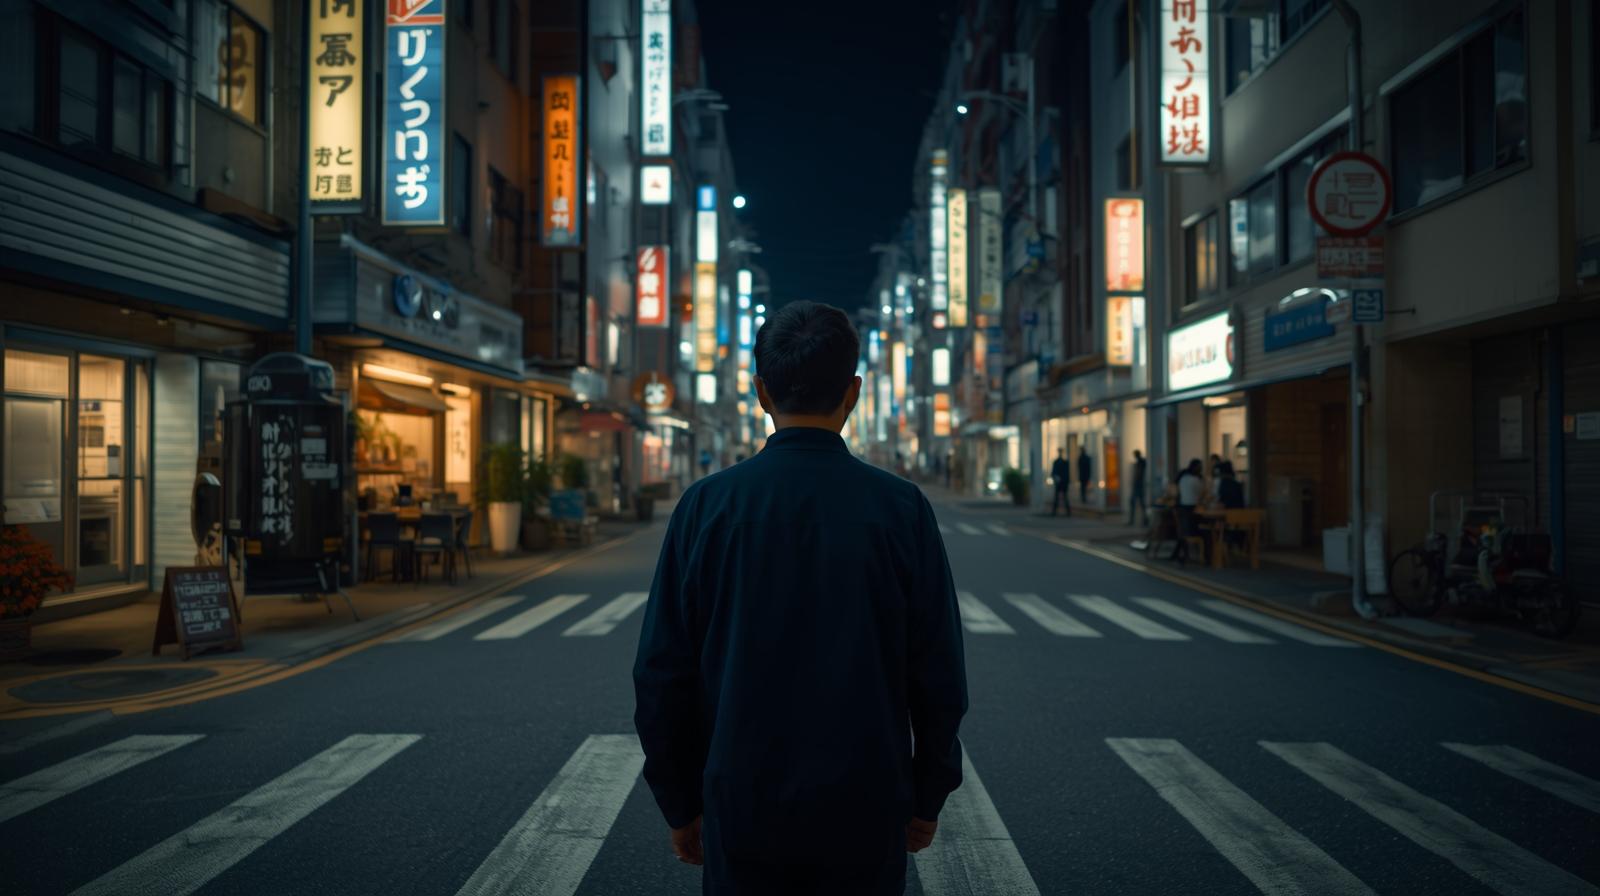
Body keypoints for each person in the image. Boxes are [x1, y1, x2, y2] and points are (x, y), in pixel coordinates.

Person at [634, 301, 968, 896]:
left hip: (742, 795)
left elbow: (662, 673)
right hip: (866, 796)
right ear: (855, 392)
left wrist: (680, 801)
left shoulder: (707, 507)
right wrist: (928, 792)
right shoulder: (900, 508)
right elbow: (938, 672)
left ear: (762, 392)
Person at [1172, 458, 1205, 564]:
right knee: (1206, 531)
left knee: (1183, 533)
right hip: (1192, 512)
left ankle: (1180, 554)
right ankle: (1206, 557)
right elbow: (1201, 494)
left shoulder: (1183, 478)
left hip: (1182, 510)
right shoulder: (1195, 480)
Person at [1127, 449, 1148, 526]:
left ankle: (1144, 520)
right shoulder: (1140, 462)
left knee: (1139, 503)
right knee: (1139, 503)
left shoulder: (1141, 463)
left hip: (1139, 485)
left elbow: (1138, 474)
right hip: (1138, 485)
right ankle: (1143, 520)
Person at [1050, 448, 1072, 517]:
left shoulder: (1065, 462)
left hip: (1064, 483)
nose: (1060, 453)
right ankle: (1054, 511)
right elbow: (1053, 472)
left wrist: (1066, 481)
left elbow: (1067, 474)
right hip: (1058, 483)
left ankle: (1068, 512)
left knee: (1065, 497)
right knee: (1056, 497)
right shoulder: (1056, 462)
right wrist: (1056, 478)